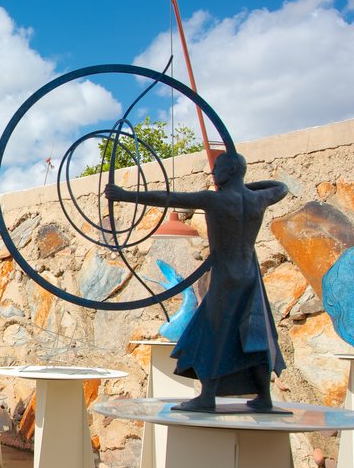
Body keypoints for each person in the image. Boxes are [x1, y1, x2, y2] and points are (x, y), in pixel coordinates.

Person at [105, 152, 288, 412]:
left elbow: (168, 198)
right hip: (249, 275)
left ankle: (207, 397)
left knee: (211, 334)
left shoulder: (214, 200)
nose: (214, 173)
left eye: (220, 168)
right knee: (253, 333)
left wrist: (124, 195)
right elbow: (282, 187)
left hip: (226, 277)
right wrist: (245, 186)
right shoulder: (258, 198)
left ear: (233, 169)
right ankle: (264, 397)